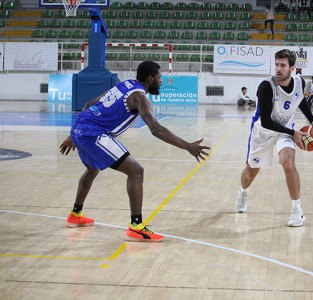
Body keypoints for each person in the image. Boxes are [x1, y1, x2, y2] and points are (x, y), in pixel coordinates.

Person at [59, 61, 210, 242]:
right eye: (160, 77)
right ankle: (136, 227)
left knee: (92, 169)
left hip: (79, 128)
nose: (161, 81)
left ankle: (75, 215)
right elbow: (156, 129)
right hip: (92, 133)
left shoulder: (125, 84)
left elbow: (89, 103)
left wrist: (72, 134)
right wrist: (188, 146)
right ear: (150, 78)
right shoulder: (139, 97)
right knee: (136, 171)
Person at [235, 49, 313, 227]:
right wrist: (294, 133)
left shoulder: (299, 82)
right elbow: (266, 121)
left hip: (285, 130)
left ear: (292, 68)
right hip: (262, 131)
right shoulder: (266, 86)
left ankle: (297, 210)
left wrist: (312, 121)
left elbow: (300, 100)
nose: (278, 69)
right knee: (251, 172)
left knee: (288, 162)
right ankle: (243, 192)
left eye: (283, 65)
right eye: (276, 65)